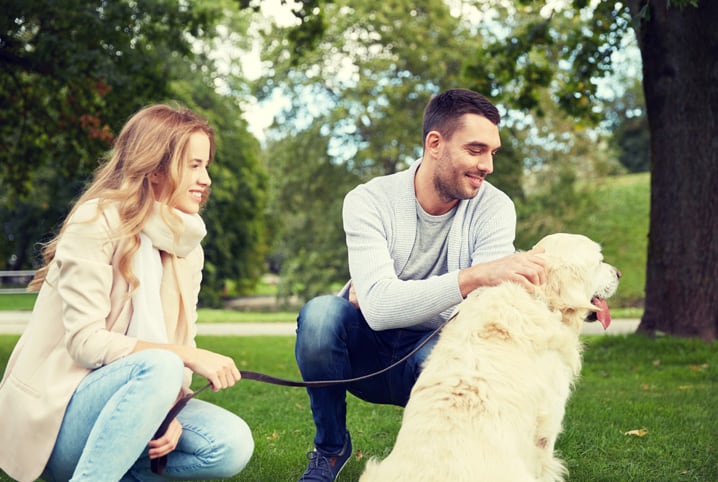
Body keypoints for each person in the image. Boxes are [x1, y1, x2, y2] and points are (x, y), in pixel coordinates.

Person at [294, 88, 546, 481]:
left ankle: (435, 463)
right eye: (476, 149)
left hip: (437, 355)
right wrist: (473, 277)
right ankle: (330, 447)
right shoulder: (369, 200)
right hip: (366, 357)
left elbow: (484, 315)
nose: (488, 165)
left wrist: (393, 296)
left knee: (461, 356)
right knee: (321, 315)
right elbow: (378, 311)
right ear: (435, 144)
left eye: (492, 152)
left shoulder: (495, 208)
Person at [0, 104, 254, 481]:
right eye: (194, 165)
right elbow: (85, 342)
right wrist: (183, 358)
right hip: (61, 415)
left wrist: (168, 410)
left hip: (141, 389)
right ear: (154, 167)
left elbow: (180, 338)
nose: (207, 179)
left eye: (206, 165)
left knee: (231, 443)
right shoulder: (96, 221)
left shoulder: (187, 246)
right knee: (165, 362)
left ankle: (111, 465)